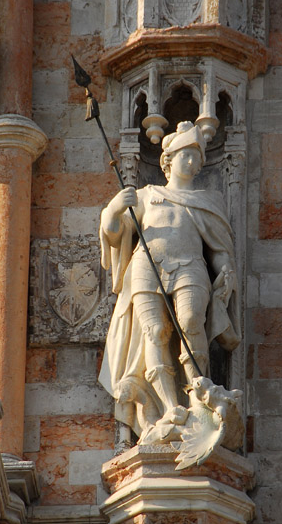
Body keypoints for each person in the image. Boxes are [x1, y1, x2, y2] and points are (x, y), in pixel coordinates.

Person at [98, 121, 241, 441]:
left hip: (191, 266)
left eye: (197, 157)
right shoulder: (147, 196)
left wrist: (225, 269)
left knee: (191, 322)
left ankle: (197, 399)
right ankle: (168, 405)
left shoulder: (209, 200)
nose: (192, 162)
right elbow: (115, 232)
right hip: (146, 269)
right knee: (155, 332)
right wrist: (114, 208)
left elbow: (218, 247)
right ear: (168, 161)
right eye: (185, 155)